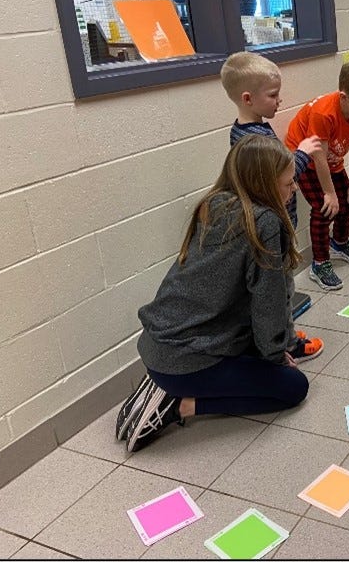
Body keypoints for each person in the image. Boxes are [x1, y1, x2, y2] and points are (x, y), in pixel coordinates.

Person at [116, 135, 320, 453]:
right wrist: (277, 355)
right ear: (265, 185)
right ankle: (181, 406)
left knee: (263, 359)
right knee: (295, 387)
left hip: (158, 345)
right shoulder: (265, 222)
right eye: (288, 183)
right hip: (184, 361)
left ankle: (168, 387)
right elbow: (269, 302)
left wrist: (273, 347)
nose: (293, 190)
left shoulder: (216, 204)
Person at [285, 56, 349, 291]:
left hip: (331, 161)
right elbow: (318, 155)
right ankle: (320, 263)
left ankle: (339, 243)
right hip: (306, 160)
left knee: (347, 201)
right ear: (344, 97)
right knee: (325, 209)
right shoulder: (324, 113)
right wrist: (329, 193)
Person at [221, 51, 322, 229]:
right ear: (247, 98)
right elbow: (283, 175)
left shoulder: (238, 130)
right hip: (276, 221)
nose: (279, 100)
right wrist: (303, 152)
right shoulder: (258, 140)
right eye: (273, 95)